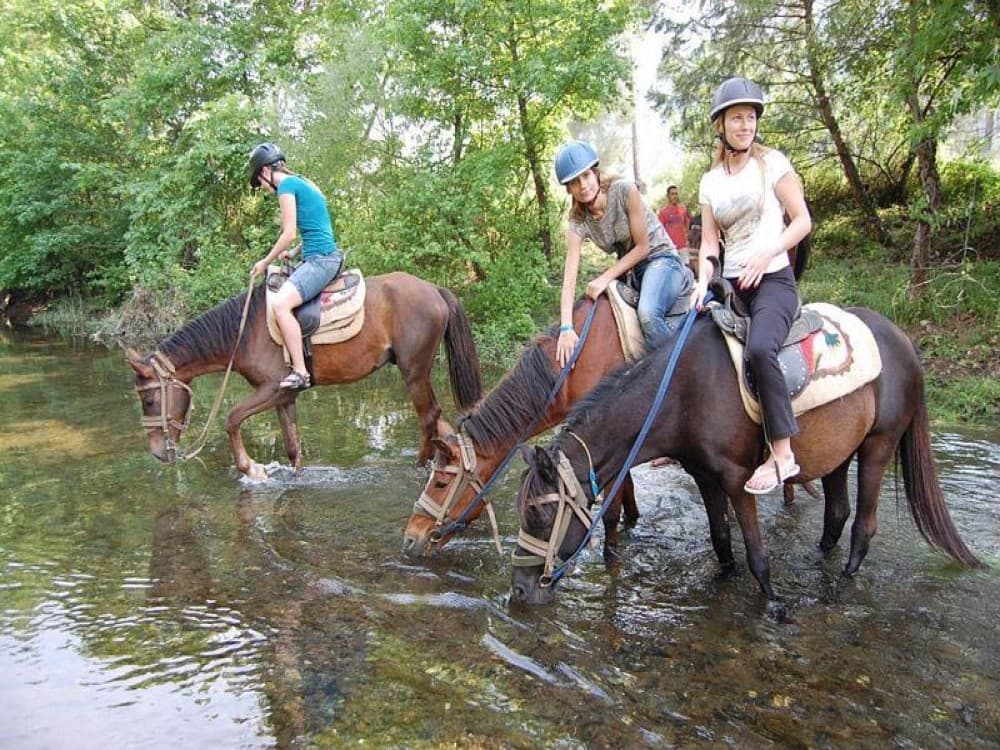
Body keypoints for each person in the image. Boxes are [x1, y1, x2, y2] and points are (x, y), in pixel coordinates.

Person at [690, 77, 812, 495]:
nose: (745, 125)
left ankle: (782, 453)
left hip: (773, 280)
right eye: (736, 118)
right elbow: (709, 243)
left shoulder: (772, 163)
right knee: (691, 346)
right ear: (720, 126)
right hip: (731, 285)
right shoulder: (709, 182)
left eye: (751, 117)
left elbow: (802, 220)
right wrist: (702, 279)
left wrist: (768, 252)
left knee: (760, 349)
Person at [554, 141, 692, 368]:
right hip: (631, 271)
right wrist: (566, 327)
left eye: (586, 176)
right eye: (574, 182)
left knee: (648, 314)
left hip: (660, 258)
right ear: (569, 189)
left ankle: (675, 371)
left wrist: (605, 277)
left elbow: (643, 247)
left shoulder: (625, 190)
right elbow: (569, 278)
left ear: (596, 173)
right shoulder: (578, 221)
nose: (583, 185)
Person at [248, 143, 342, 390]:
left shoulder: (287, 187)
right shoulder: (304, 183)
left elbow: (288, 232)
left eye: (260, 182)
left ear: (265, 171)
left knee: (280, 305)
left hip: (321, 260)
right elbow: (317, 228)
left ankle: (301, 372)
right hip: (321, 254)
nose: (264, 189)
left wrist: (265, 262)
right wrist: (295, 252)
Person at [658, 185, 692, 256]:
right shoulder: (663, 212)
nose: (675, 196)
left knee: (685, 266)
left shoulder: (683, 209)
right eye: (672, 194)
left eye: (676, 194)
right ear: (668, 196)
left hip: (683, 247)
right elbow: (660, 231)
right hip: (670, 247)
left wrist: (687, 239)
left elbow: (687, 224)